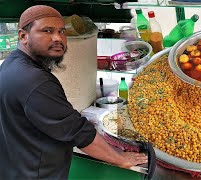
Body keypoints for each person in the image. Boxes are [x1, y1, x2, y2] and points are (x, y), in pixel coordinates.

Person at [0, 5, 147, 179]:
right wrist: (119, 159)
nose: (58, 38)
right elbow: (78, 133)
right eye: (47, 31)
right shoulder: (35, 80)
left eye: (62, 31)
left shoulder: (10, 64)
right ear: (23, 36)